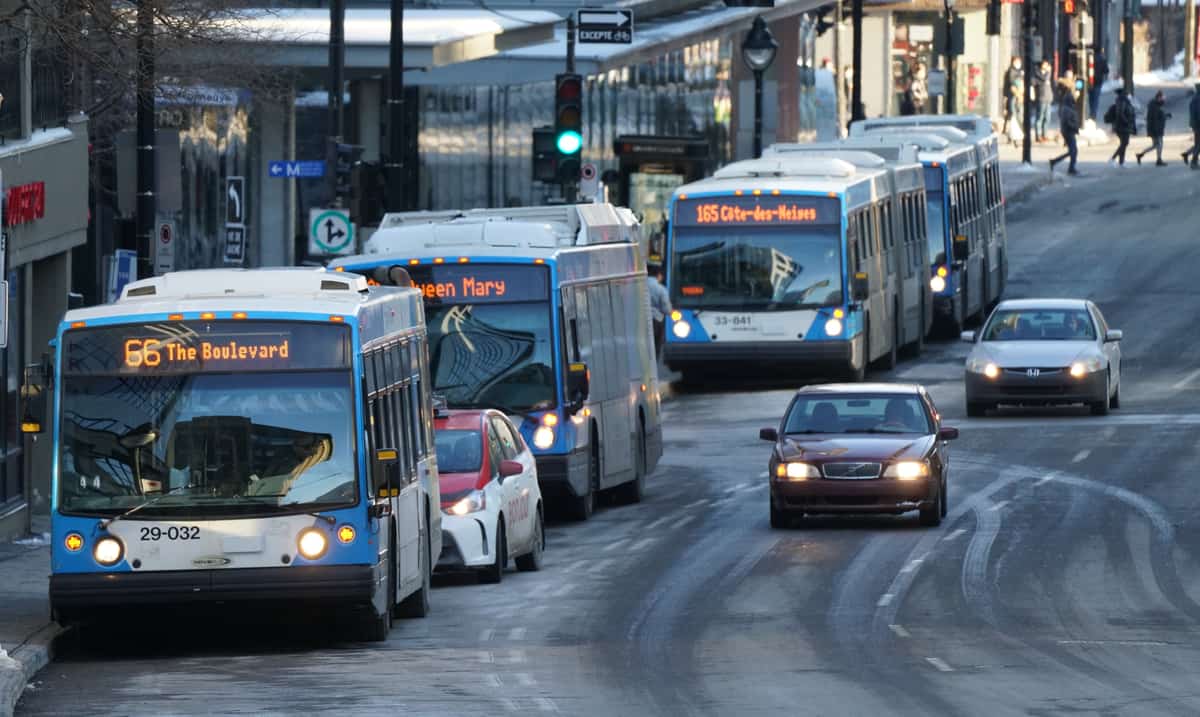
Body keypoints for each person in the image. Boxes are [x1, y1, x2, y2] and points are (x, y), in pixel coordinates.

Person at [1049, 86, 1081, 176]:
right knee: (1073, 151)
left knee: (1073, 151)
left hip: (1069, 131)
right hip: (1068, 132)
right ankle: (1070, 167)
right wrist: (1074, 127)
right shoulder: (1067, 109)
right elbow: (1067, 121)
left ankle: (1056, 162)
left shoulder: (1068, 108)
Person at [1136, 91, 1171, 166]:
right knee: (1159, 144)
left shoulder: (1155, 105)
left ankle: (1140, 154)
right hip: (1156, 129)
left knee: (1155, 145)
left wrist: (1165, 116)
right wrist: (1156, 130)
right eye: (1162, 98)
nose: (1164, 99)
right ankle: (1159, 160)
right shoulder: (1154, 106)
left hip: (1156, 128)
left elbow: (1158, 116)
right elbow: (1154, 119)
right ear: (1159, 97)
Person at [1105, 88, 1137, 167]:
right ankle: (1113, 159)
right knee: (1124, 143)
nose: (1129, 95)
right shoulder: (1122, 101)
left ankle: (1121, 162)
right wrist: (1127, 122)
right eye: (1128, 94)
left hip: (1123, 126)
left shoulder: (1123, 101)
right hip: (1122, 126)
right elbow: (1120, 113)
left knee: (1124, 143)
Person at [646, 263, 671, 360]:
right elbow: (666, 309)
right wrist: (671, 312)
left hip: (640, 320)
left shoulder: (640, 286)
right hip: (656, 320)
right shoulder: (661, 289)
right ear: (659, 275)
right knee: (655, 346)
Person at [1002, 57, 1024, 139]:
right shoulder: (1011, 71)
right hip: (1013, 95)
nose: (1018, 63)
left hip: (1017, 95)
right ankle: (1011, 133)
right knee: (1014, 114)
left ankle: (1011, 132)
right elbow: (1012, 84)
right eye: (1016, 61)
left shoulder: (1019, 72)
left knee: (1015, 114)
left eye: (1019, 62)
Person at [1034, 60, 1054, 143]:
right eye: (1044, 64)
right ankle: (1038, 135)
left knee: (1047, 117)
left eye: (1047, 64)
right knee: (1040, 117)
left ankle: (1044, 134)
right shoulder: (1038, 74)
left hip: (1048, 98)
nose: (1046, 66)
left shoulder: (1047, 75)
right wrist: (1049, 72)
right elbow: (1045, 78)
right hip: (1041, 98)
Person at [1184, 83, 1200, 169]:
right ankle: (1194, 162)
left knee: (1197, 144)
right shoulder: (1198, 99)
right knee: (1198, 144)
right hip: (1198, 125)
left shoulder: (1195, 98)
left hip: (1195, 124)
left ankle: (1192, 159)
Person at [1090, 50, 1109, 121]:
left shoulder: (1090, 57)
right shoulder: (1102, 58)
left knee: (1091, 97)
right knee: (1096, 98)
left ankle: (1092, 111)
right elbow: (1106, 70)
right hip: (1098, 81)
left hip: (1090, 81)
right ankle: (1093, 114)